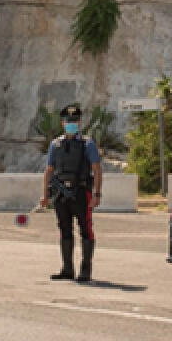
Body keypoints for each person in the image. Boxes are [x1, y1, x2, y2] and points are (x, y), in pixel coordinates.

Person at [39, 104, 103, 283]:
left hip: (81, 192)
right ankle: (67, 269)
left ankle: (85, 270)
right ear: (62, 123)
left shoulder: (87, 144)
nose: (71, 124)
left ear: (79, 122)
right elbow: (49, 170)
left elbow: (97, 169)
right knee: (64, 230)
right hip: (61, 194)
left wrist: (97, 194)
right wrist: (45, 195)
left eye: (74, 121)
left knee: (86, 230)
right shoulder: (55, 144)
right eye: (68, 121)